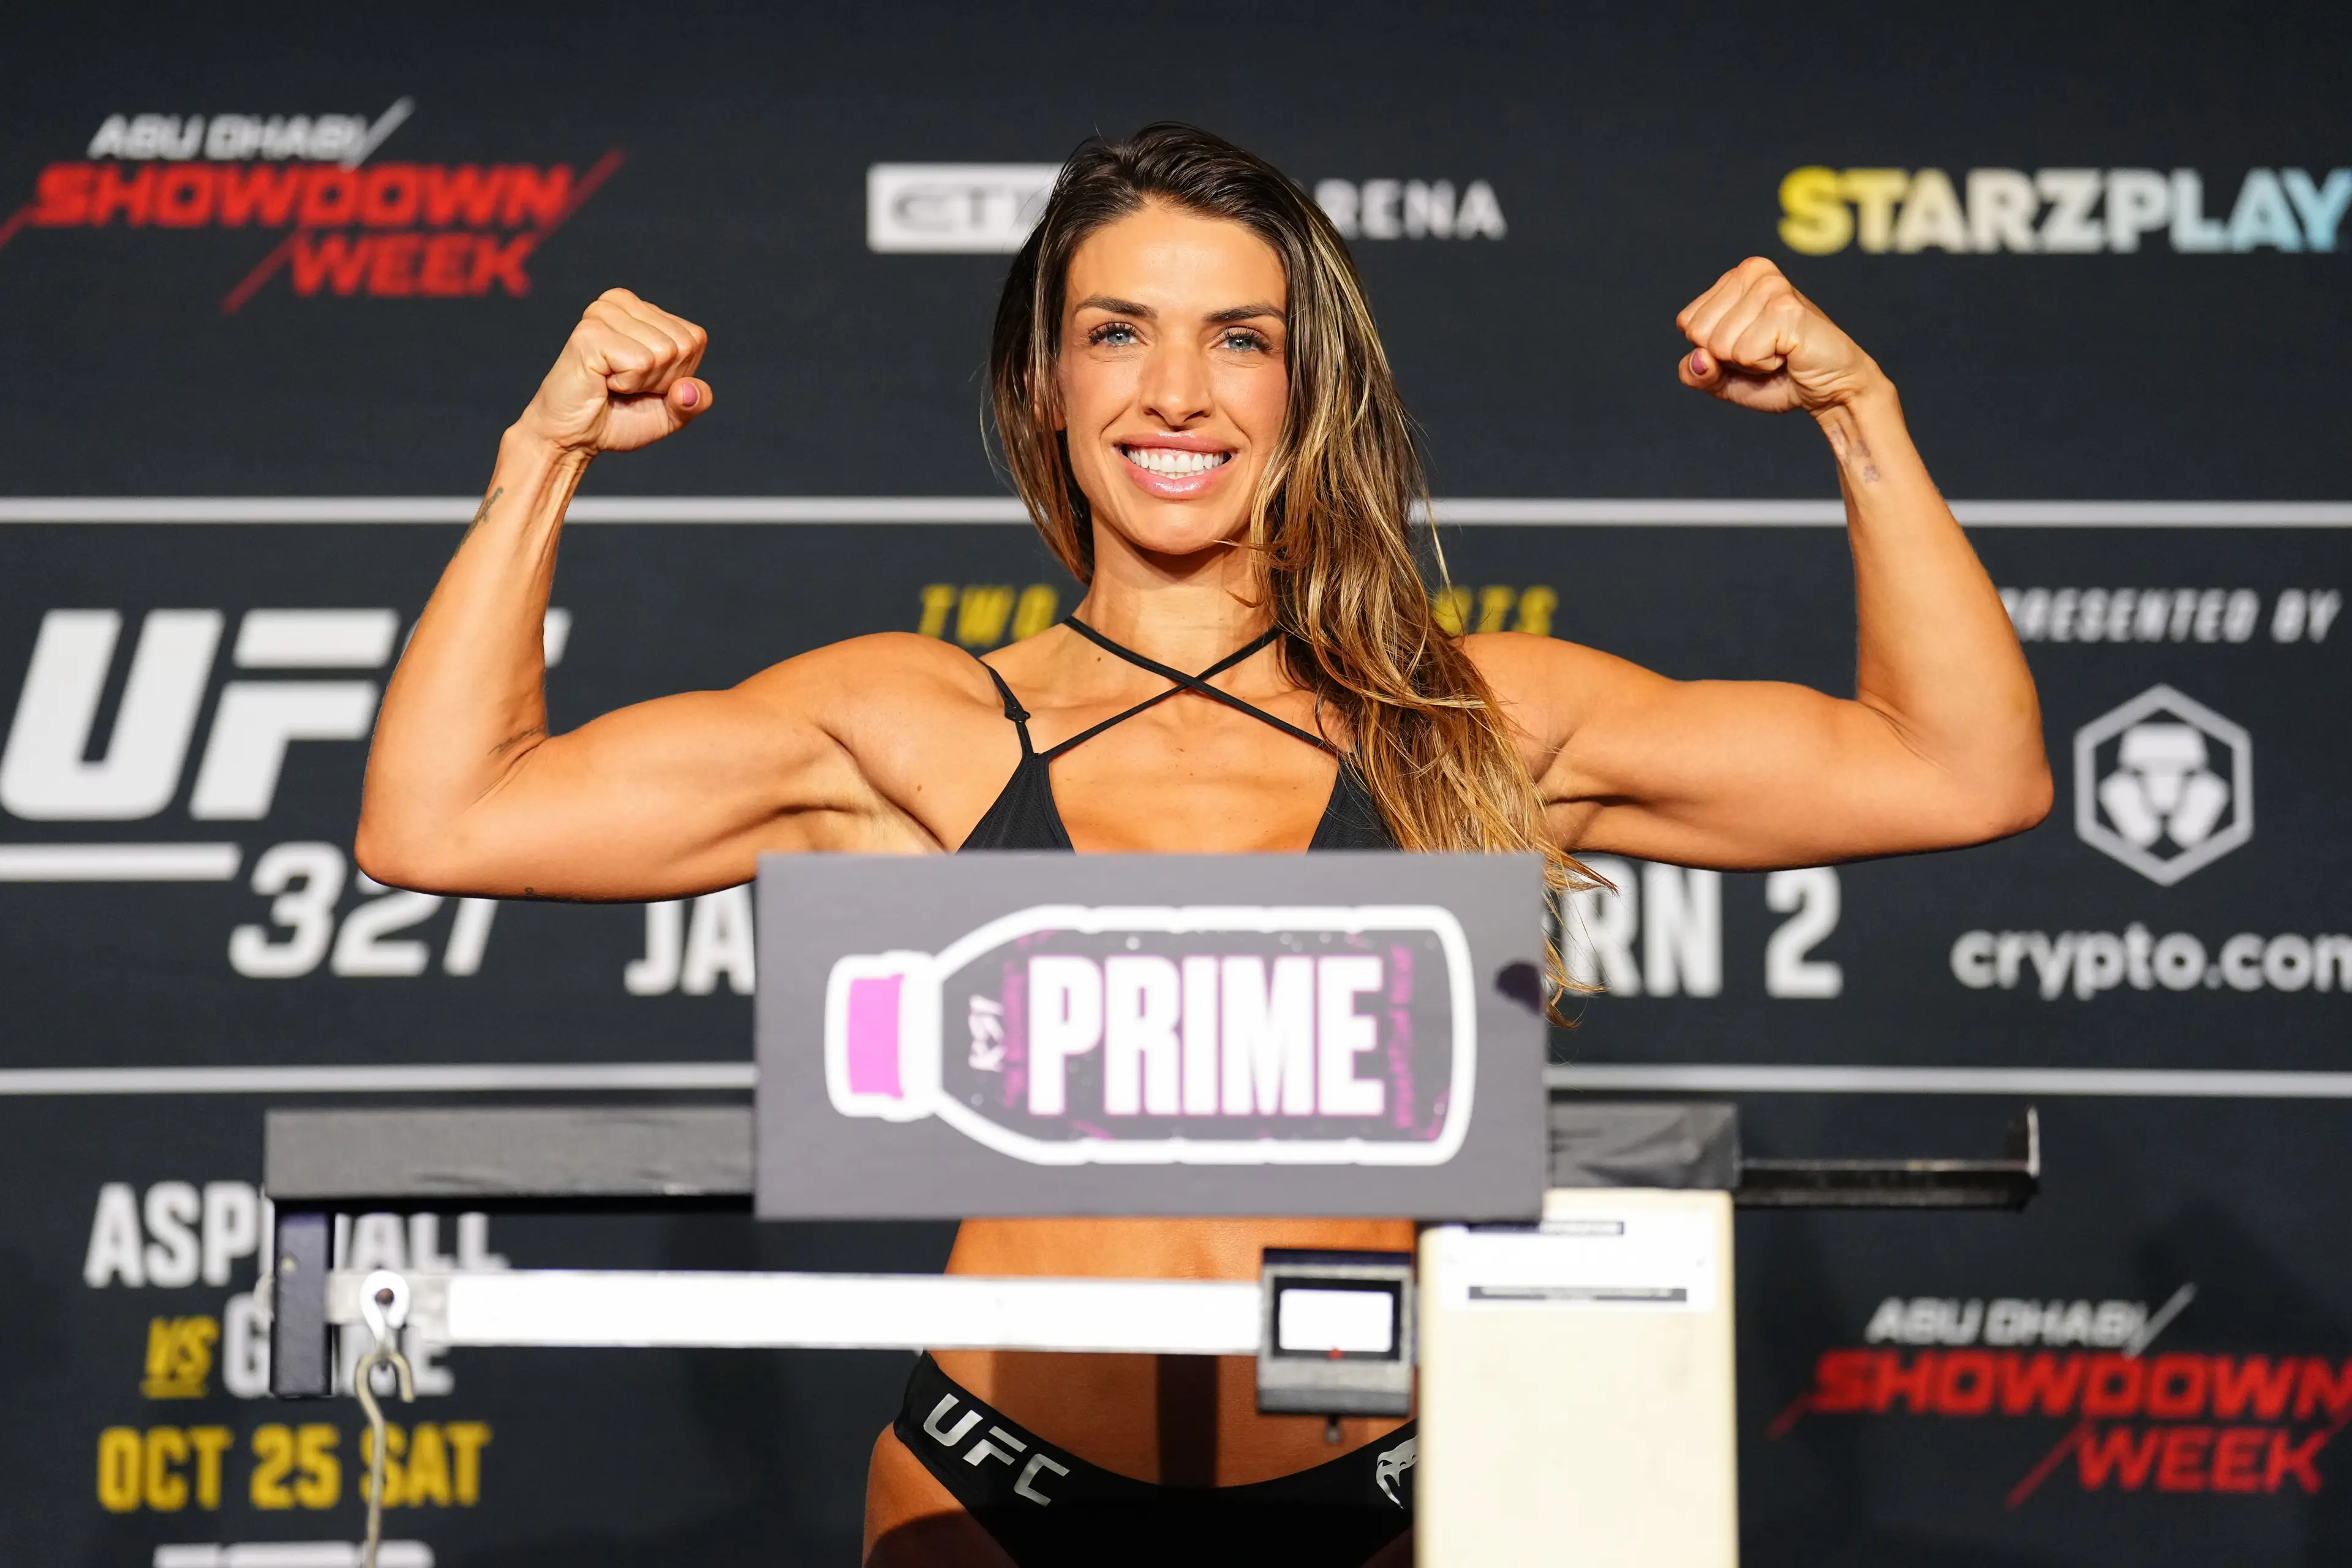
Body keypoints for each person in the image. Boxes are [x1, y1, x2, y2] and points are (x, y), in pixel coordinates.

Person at [356, 123, 2049, 1567]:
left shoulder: (1465, 718)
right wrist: (543, 457)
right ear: (1047, 374)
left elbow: (1958, 773)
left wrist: (1860, 413)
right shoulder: (908, 726)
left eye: (1240, 337)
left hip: (1379, 1495)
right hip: (994, 1496)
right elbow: (444, 821)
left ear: (1307, 381)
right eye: (1120, 332)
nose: (1177, 391)